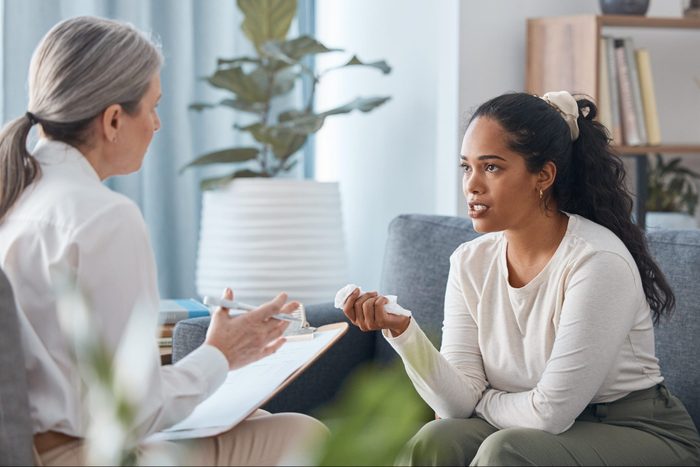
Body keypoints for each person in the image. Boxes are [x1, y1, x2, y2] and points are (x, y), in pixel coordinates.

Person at [0, 16, 326, 466]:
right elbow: (133, 410)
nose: (156, 124)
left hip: (40, 449)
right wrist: (222, 353)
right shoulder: (104, 217)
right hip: (84, 455)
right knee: (305, 435)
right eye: (152, 107)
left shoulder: (16, 197)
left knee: (257, 421)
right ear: (114, 119)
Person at [341, 91, 700, 465]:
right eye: (467, 167)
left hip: (638, 432)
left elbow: (550, 413)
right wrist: (403, 333)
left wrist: (483, 402)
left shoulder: (597, 261)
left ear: (543, 175)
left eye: (492, 167)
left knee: (506, 449)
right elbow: (455, 406)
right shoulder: (470, 261)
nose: (472, 185)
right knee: (438, 437)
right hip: (529, 424)